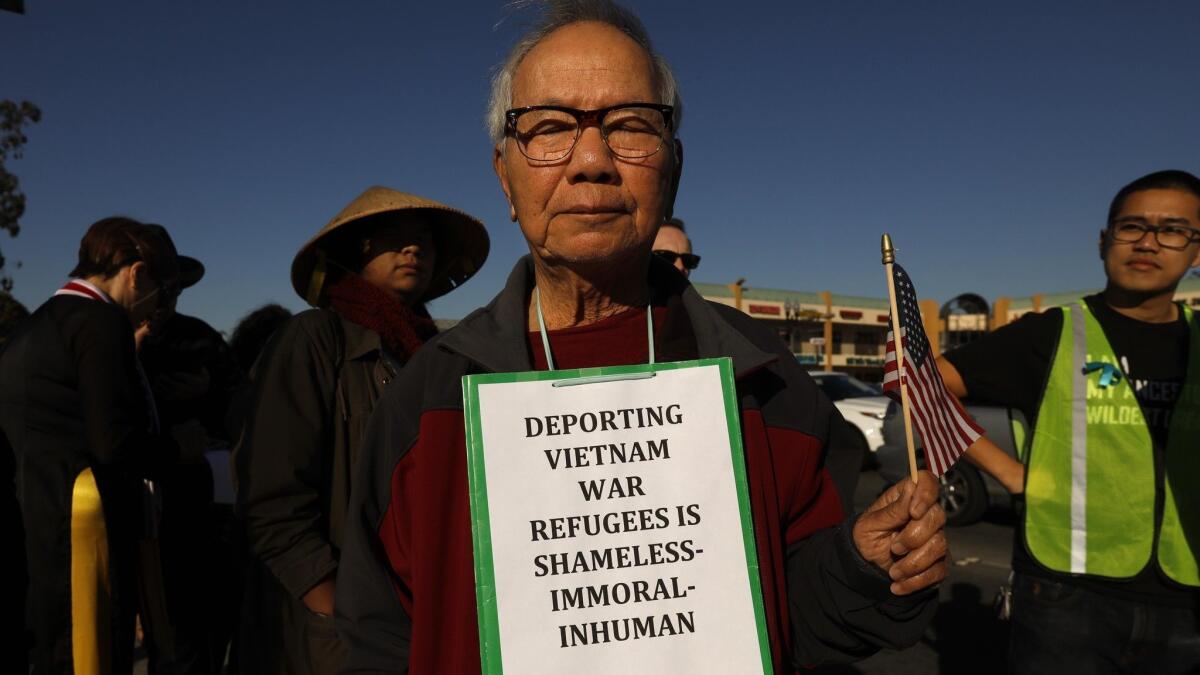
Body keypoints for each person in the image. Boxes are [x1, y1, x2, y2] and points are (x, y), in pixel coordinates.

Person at [335, 3, 946, 673]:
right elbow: (379, 635)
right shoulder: (427, 403)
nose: (591, 160)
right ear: (505, 178)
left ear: (673, 168)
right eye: (548, 128)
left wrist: (861, 566)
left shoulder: (768, 385)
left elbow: (797, 618)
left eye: (629, 126)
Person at [936, 169, 1200, 673]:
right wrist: (1007, 471)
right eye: (1131, 227)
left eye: (1172, 229)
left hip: (1188, 593)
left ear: (1196, 251)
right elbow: (913, 385)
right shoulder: (1052, 332)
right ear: (1104, 241)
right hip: (1065, 590)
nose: (1148, 242)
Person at [233, 186, 488, 675]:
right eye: (395, 238)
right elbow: (271, 501)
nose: (414, 249)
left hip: (414, 619)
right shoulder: (312, 339)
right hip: (332, 635)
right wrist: (335, 608)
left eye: (426, 242)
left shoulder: (439, 356)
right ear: (360, 250)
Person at [0, 216, 181, 674]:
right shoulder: (101, 321)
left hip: (31, 524)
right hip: (81, 533)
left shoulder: (32, 326)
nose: (155, 310)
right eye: (159, 291)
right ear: (137, 273)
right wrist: (179, 454)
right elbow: (114, 442)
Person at [138, 233, 245, 675]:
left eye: (176, 288)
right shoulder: (110, 342)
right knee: (172, 637)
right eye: (162, 286)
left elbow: (238, 406)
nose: (168, 297)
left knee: (210, 626)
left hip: (206, 505)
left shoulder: (201, 340)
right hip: (147, 509)